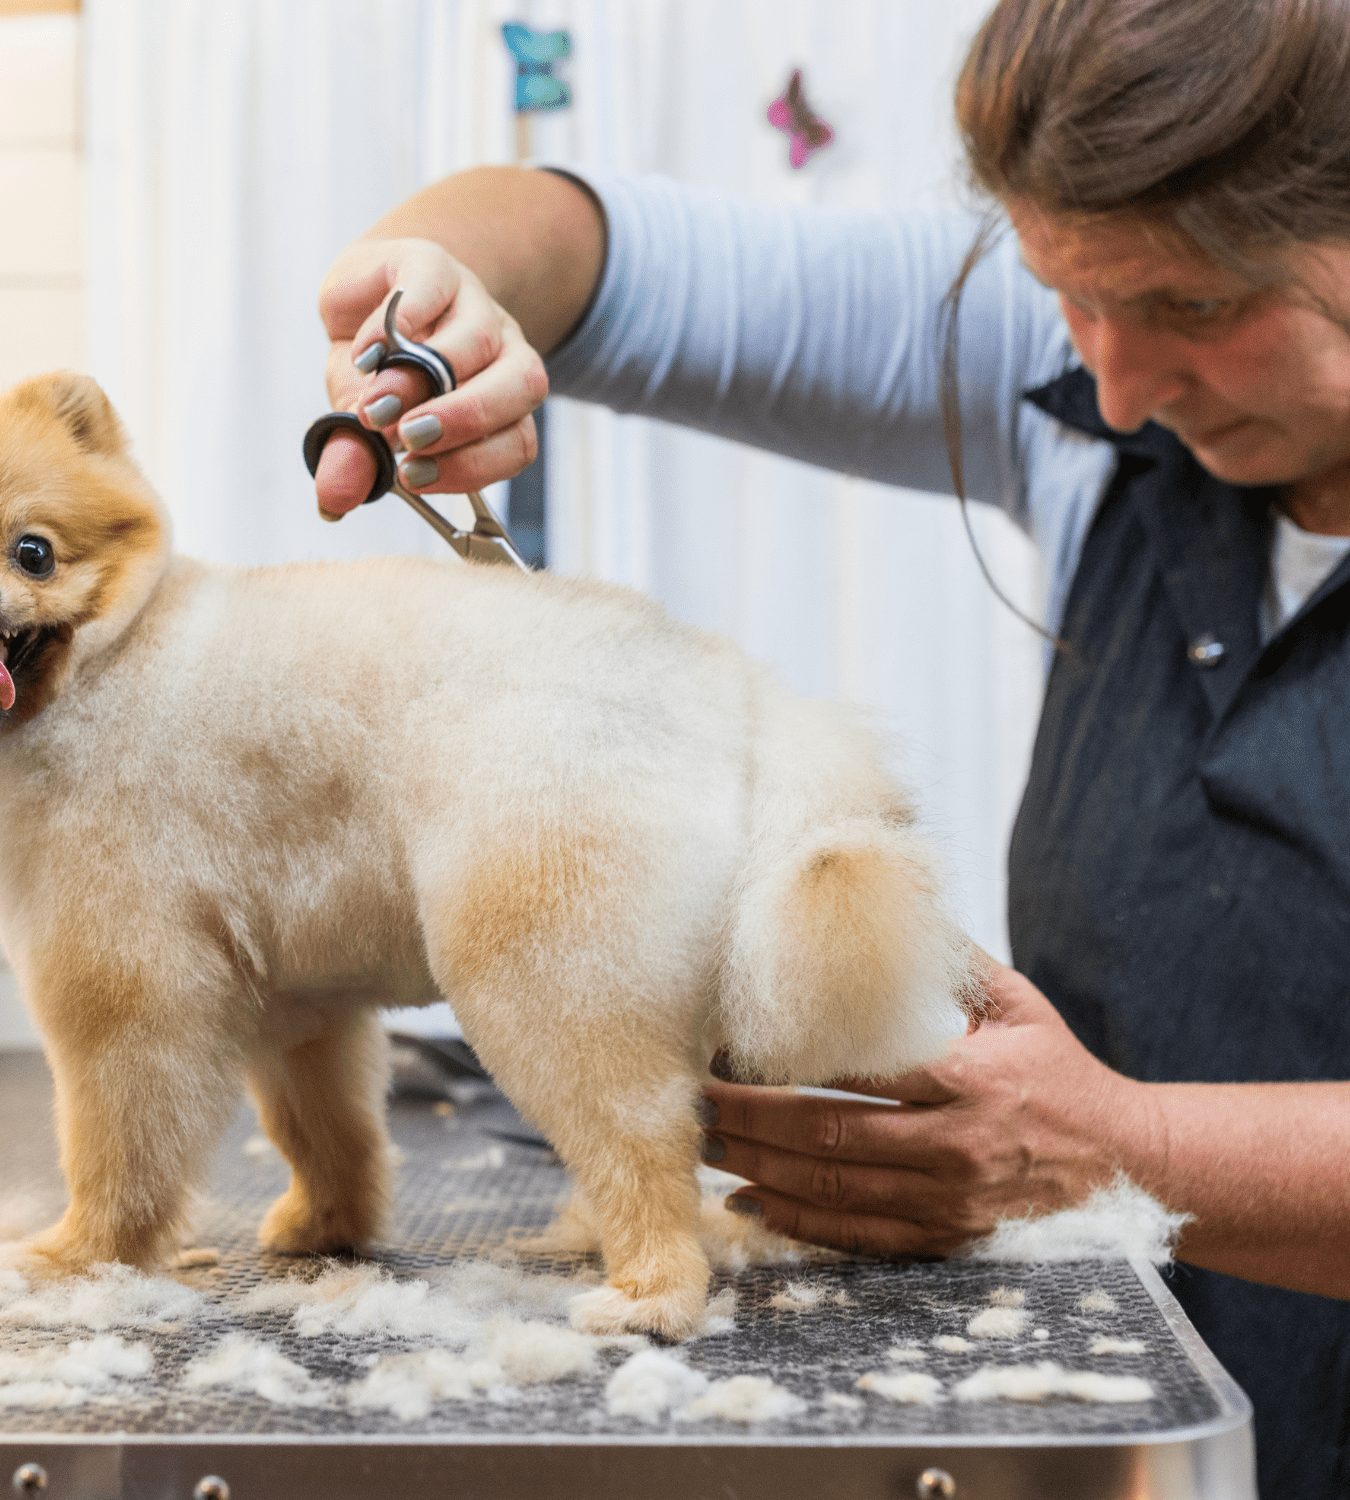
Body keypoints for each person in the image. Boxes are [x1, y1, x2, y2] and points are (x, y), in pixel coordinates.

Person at [310, 1, 1350, 1492]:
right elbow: (589, 253)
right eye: (1069, 293)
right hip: (1125, 1425)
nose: (1116, 390)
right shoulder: (1086, 375)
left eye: (1193, 309)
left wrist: (1125, 1146)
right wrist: (440, 300)